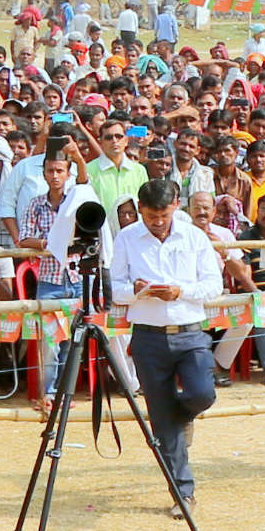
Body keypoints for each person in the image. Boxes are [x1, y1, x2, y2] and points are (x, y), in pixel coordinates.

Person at [110, 175, 227, 509]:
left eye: (164, 215)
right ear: (140, 210)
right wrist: (133, 290)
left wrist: (180, 291)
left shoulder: (193, 236)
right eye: (151, 216)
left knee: (202, 394)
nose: (158, 223)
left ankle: (182, 415)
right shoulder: (127, 238)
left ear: (176, 205)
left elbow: (213, 285)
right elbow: (114, 287)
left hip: (190, 332)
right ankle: (183, 492)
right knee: (162, 423)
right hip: (148, 337)